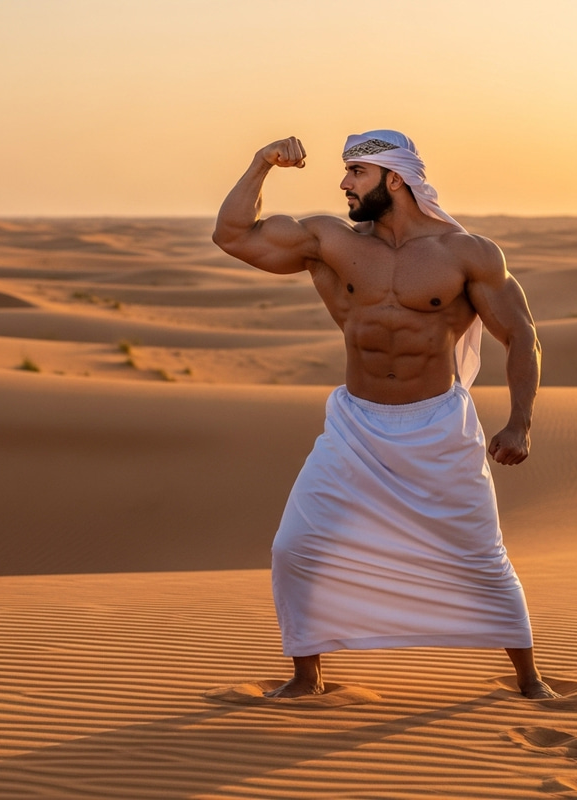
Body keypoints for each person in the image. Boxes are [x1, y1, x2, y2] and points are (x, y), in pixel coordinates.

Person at [212, 130, 557, 700]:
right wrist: (260, 164)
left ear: (395, 179)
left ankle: (529, 678)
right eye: (346, 173)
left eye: (356, 173)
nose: (344, 184)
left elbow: (521, 335)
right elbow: (231, 236)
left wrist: (520, 421)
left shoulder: (467, 253)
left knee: (479, 552)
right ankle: (306, 677)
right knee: (296, 547)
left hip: (439, 426)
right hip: (355, 427)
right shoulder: (329, 241)